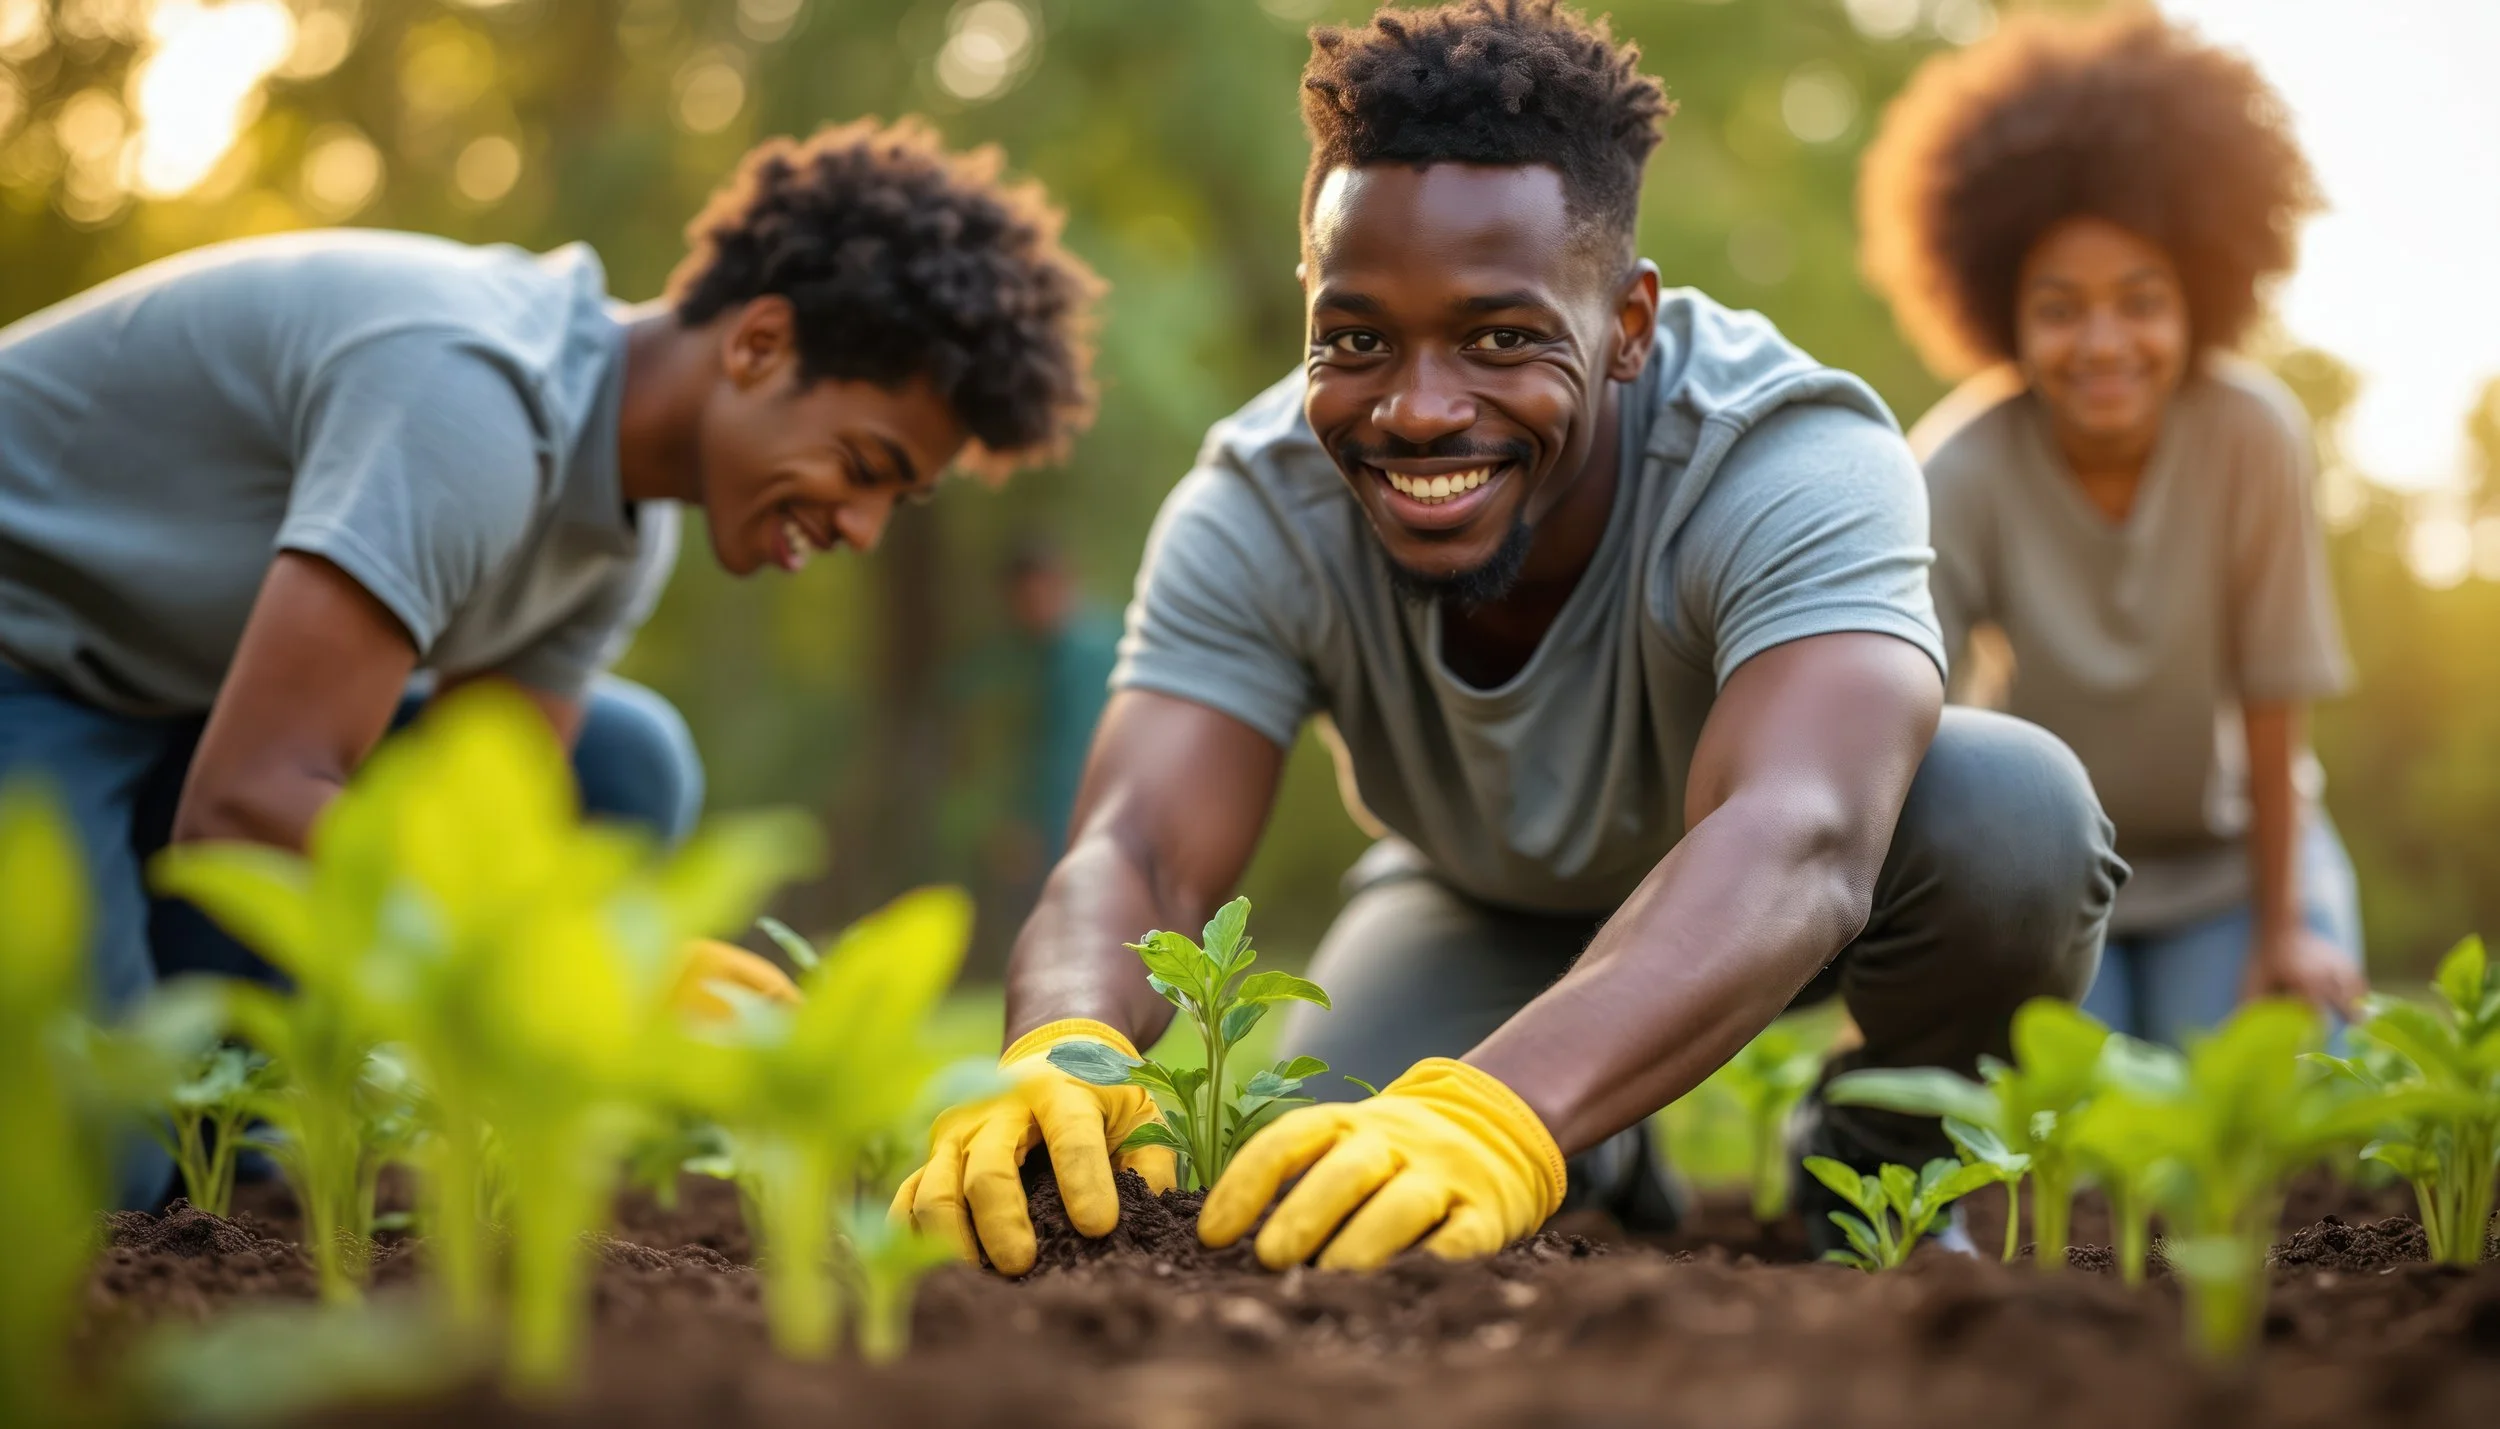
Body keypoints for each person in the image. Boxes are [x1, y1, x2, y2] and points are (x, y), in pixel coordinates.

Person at [896, 0, 2124, 1278]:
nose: (1419, 411)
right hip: (1471, 903)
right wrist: (1065, 1044)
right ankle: (1608, 1150)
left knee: (2010, 813)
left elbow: (1799, 832)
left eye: (1501, 337)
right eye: (1358, 340)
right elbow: (1136, 845)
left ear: (1629, 326)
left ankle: (1885, 1158)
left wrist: (1495, 1112)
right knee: (1324, 1196)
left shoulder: (1790, 456)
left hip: (1793, 893)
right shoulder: (1254, 501)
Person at [0, 117, 1101, 1205]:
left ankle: (228, 1110)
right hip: (29, 665)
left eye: (893, 501)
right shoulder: (470, 397)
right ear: (758, 343)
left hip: (166, 703)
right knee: (103, 1173)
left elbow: (493, 838)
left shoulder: (621, 537)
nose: (861, 528)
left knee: (620, 768)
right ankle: (157, 1097)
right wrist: (617, 966)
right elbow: (246, 802)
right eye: (862, 465)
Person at [1858, 13, 2364, 1049]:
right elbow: (1898, 722)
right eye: (2060, 308)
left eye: (2140, 303)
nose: (2102, 344)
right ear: (2003, 313)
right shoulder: (1958, 465)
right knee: (2071, 1144)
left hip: (2235, 864)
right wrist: (1891, 980)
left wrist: (2281, 929)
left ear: (2198, 301)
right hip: (2053, 876)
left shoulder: (2251, 435)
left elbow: (2274, 693)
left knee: (2282, 1089)